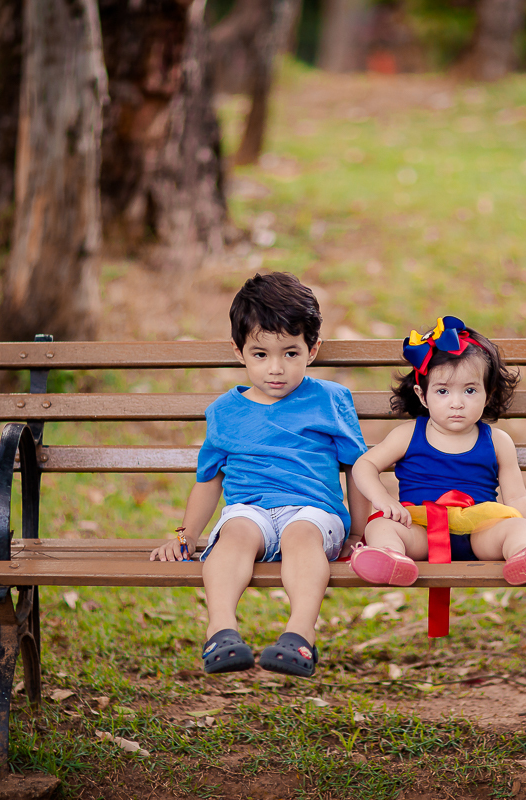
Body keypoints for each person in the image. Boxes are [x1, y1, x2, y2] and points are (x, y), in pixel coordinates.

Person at [149, 272, 369, 678]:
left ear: (312, 349)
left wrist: (357, 533)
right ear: (239, 352)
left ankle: (300, 635)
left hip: (313, 512)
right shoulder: (225, 411)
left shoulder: (331, 399)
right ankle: (221, 631)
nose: (276, 368)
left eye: (290, 353)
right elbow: (209, 478)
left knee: (301, 535)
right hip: (249, 509)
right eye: (260, 354)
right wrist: (186, 536)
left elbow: (357, 467)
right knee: (233, 537)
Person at [350, 315, 526, 589]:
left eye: (469, 390)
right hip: (420, 530)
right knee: (379, 527)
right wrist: (383, 499)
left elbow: (517, 497)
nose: (457, 403)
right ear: (422, 395)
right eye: (443, 391)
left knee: (516, 526)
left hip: (480, 531)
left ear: (487, 394)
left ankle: (525, 556)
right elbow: (365, 466)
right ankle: (391, 558)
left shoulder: (498, 441)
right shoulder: (408, 435)